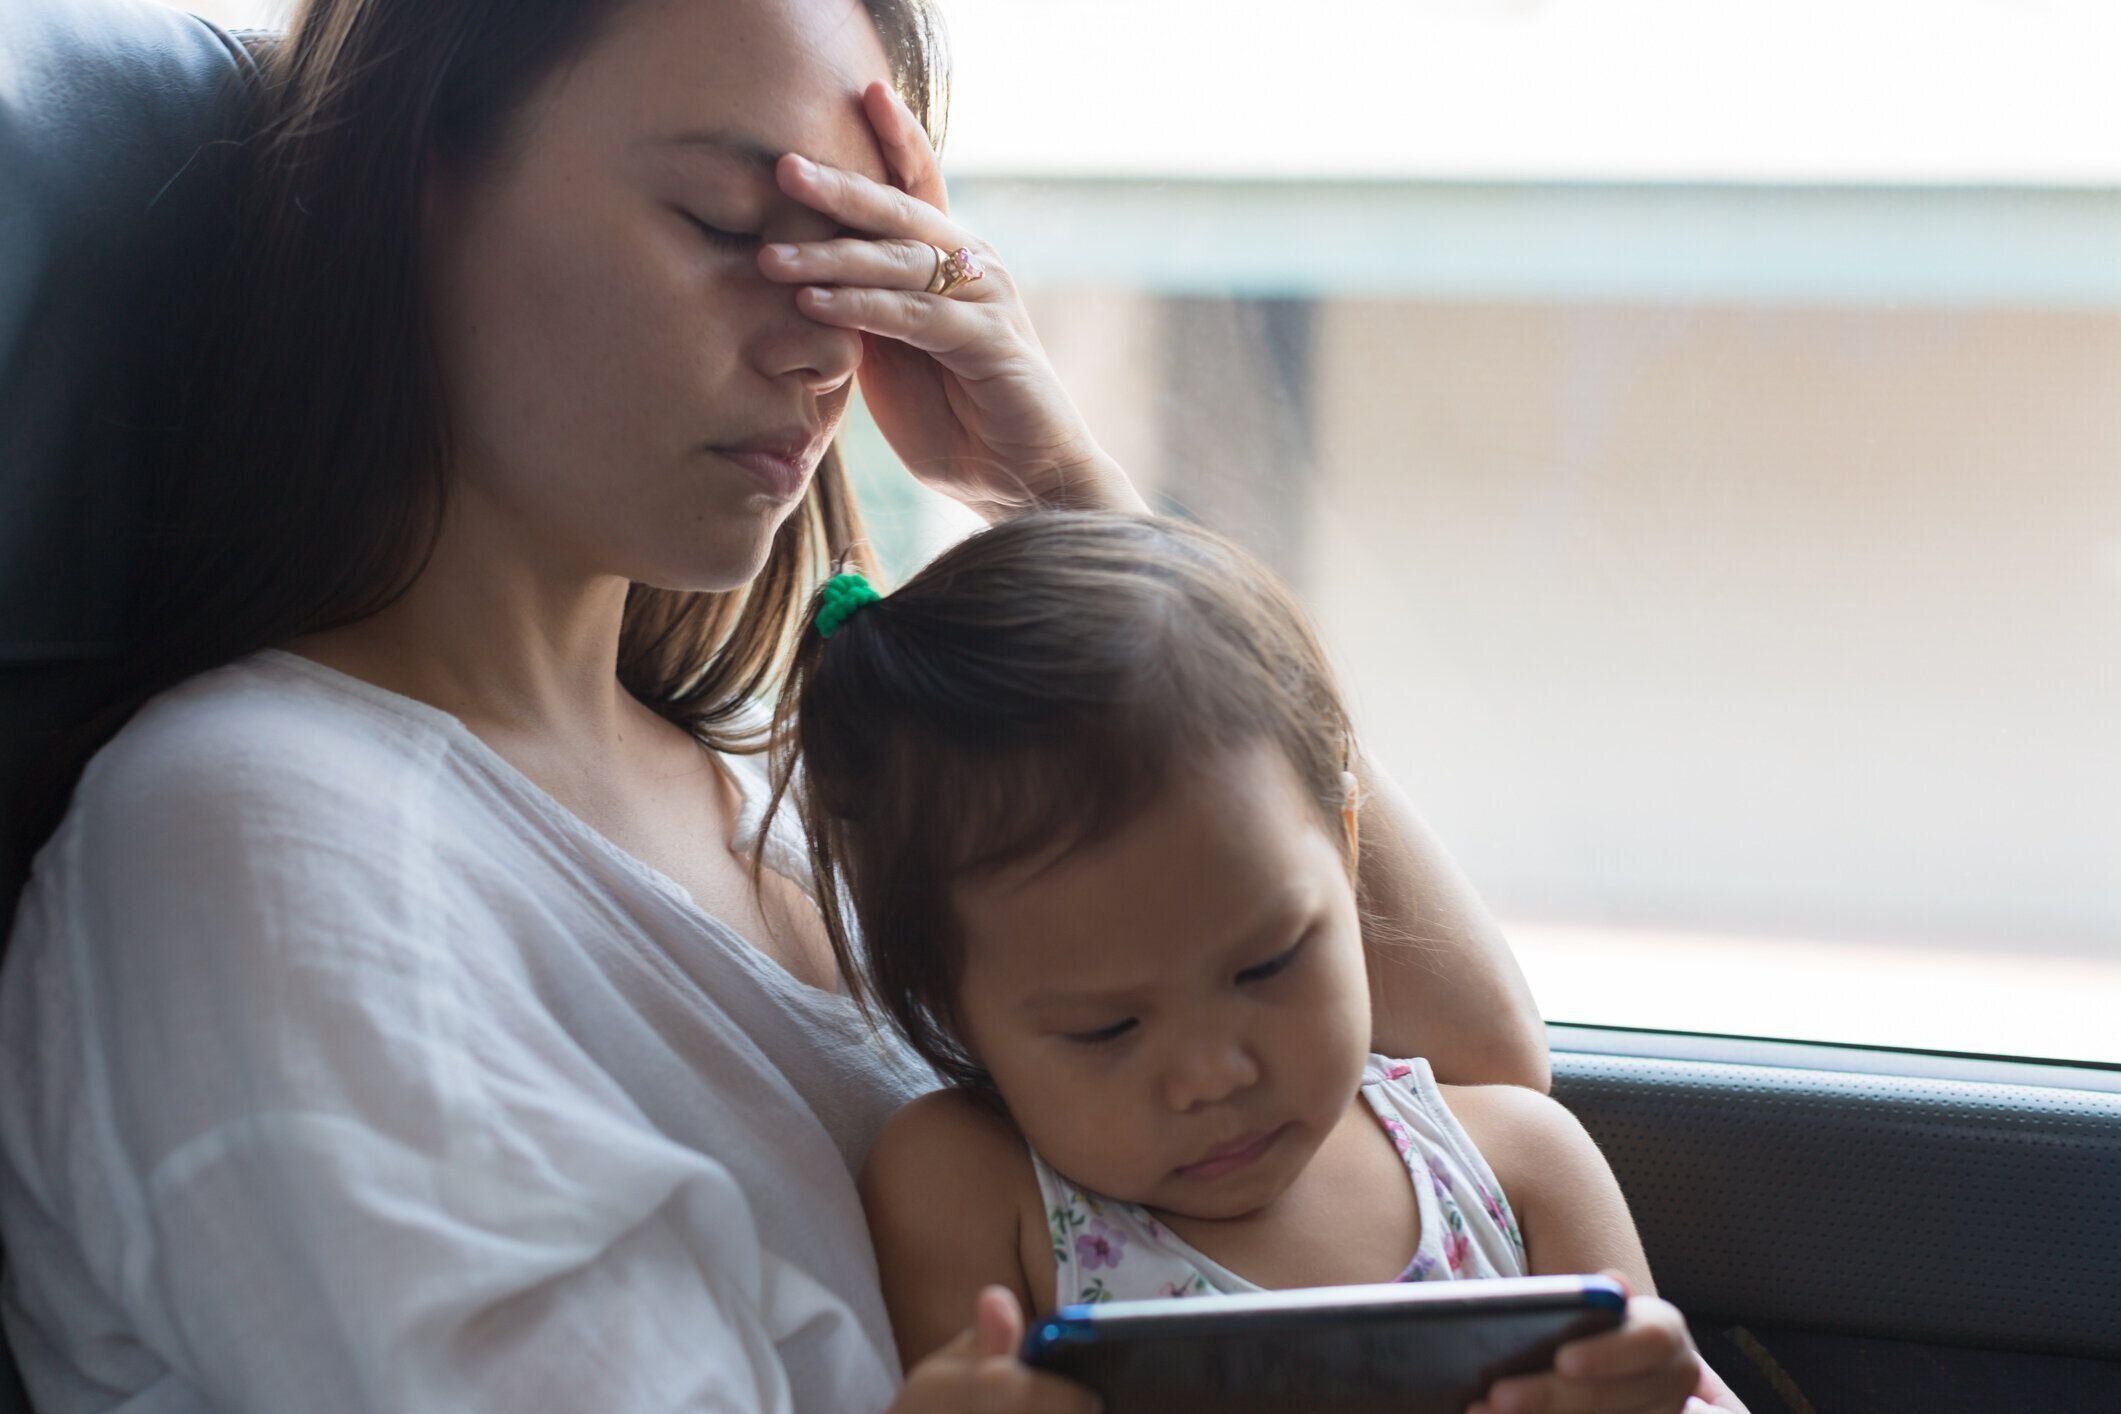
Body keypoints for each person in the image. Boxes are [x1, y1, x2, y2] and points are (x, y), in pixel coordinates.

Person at [0, 1, 1546, 1410]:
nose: (825, 332)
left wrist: (1070, 507)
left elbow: (1465, 1084)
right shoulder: (266, 842)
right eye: (729, 220)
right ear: (417, 186)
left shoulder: (786, 794)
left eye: (862, 250)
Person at [775, 513, 1748, 1414]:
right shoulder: (971, 1189)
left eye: (1268, 965)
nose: (1215, 1072)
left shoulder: (1520, 1166)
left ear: (1349, 843)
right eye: (1108, 1027)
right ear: (951, 1000)